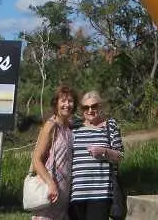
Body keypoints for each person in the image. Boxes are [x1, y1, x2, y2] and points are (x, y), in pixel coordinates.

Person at [69, 90, 124, 220]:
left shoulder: (110, 126)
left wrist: (104, 151)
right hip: (76, 193)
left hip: (101, 193)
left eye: (94, 106)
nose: (90, 110)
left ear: (100, 106)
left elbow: (120, 156)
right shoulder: (74, 128)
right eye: (85, 107)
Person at [31, 85, 77, 220]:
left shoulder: (69, 127)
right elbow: (36, 159)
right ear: (56, 103)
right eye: (63, 101)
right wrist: (50, 184)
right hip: (50, 191)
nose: (67, 105)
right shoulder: (51, 126)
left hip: (64, 193)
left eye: (70, 101)